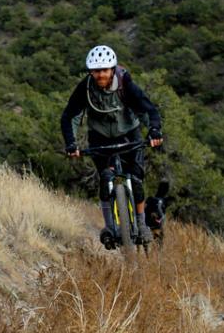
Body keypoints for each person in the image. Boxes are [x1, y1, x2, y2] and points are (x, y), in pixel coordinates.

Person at [60, 45, 163, 247]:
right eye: (96, 71)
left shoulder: (125, 82)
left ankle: (141, 224)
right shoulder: (85, 88)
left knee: (136, 179)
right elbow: (69, 116)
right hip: (100, 138)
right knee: (106, 178)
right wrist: (71, 143)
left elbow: (147, 108)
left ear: (112, 69)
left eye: (105, 70)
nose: (100, 75)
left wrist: (154, 130)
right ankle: (108, 226)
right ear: (91, 71)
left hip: (129, 135)